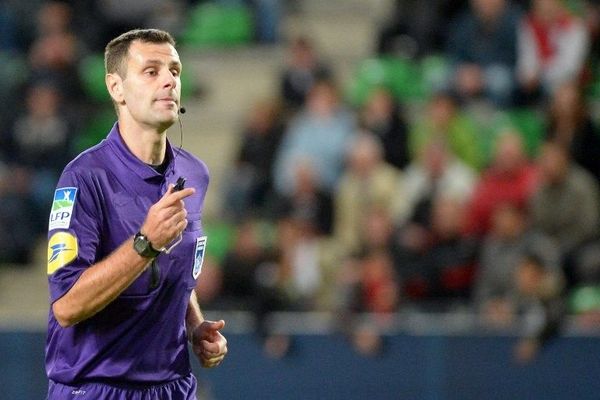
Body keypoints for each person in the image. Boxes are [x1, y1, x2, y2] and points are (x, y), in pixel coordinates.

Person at [45, 29, 227, 399]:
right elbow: (67, 306)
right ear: (116, 88)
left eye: (174, 70)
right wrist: (144, 245)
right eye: (151, 71)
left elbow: (174, 267)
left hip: (172, 387)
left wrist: (194, 325)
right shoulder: (84, 179)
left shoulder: (194, 174)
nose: (169, 81)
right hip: (97, 389)